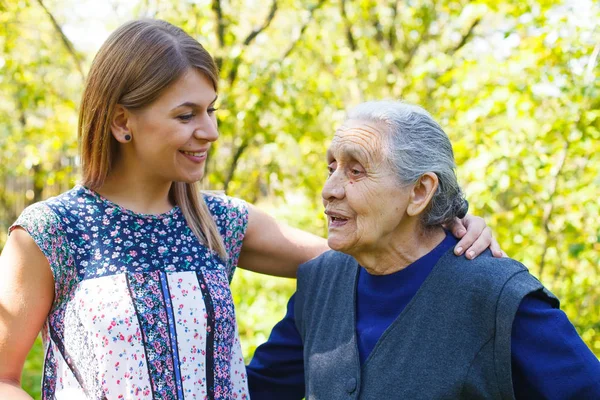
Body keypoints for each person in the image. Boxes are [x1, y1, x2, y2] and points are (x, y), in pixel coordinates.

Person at [0, 21, 500, 399]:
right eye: (186, 115)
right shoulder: (52, 232)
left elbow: (367, 252)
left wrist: (446, 226)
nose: (211, 132)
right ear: (120, 121)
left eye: (211, 110)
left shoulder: (218, 222)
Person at [247, 101, 600, 399]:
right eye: (331, 168)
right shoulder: (319, 281)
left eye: (355, 171)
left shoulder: (498, 296)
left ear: (419, 191)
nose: (329, 189)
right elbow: (254, 390)